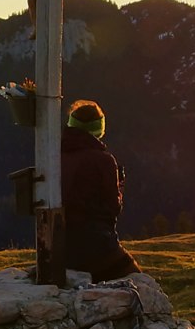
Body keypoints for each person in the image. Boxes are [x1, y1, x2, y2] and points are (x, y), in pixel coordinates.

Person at [59, 99, 142, 282]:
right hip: (97, 244)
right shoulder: (103, 160)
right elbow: (113, 207)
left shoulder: (55, 155)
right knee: (138, 284)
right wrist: (119, 185)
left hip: (60, 244)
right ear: (99, 128)